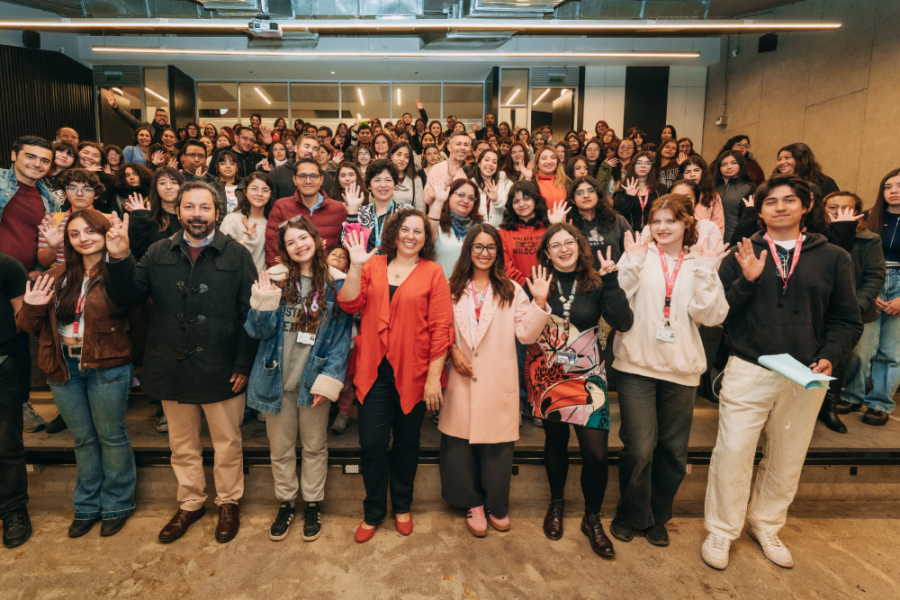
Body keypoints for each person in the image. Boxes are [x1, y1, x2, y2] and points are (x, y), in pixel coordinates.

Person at [702, 176, 863, 571]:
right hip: (749, 365)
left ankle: (766, 523)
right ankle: (722, 529)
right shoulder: (743, 250)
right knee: (734, 451)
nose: (779, 207)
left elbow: (846, 319)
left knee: (787, 456)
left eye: (789, 200)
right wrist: (747, 280)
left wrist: (830, 356)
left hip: (805, 372)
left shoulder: (834, 258)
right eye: (770, 201)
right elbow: (717, 312)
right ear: (759, 208)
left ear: (806, 205)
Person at [104, 180, 260, 544]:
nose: (197, 215)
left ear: (217, 213)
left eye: (204, 208)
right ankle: (191, 502)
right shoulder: (158, 251)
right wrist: (118, 256)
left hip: (223, 369)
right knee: (182, 444)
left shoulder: (236, 255)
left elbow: (250, 315)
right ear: (178, 210)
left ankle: (228, 502)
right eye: (189, 207)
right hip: (172, 366)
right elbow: (128, 294)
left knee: (227, 443)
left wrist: (242, 364)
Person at [18, 210, 146, 538]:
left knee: (111, 436)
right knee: (83, 439)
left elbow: (139, 316)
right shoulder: (57, 275)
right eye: (75, 234)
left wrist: (134, 360)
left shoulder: (120, 271)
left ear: (105, 233)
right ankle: (87, 504)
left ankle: (117, 502)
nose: (83, 238)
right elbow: (29, 328)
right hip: (64, 367)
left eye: (90, 231)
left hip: (109, 365)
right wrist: (31, 305)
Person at [611, 197, 729, 547]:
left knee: (673, 451)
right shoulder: (638, 255)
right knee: (639, 447)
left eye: (670, 221)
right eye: (656, 221)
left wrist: (708, 272)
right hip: (636, 363)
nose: (662, 227)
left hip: (681, 368)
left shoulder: (699, 262)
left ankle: (658, 515)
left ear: (686, 225)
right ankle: (632, 513)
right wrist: (630, 262)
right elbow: (616, 301)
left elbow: (711, 316)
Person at [339, 208, 453, 543]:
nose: (411, 236)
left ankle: (402, 505)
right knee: (371, 443)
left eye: (418, 231)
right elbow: (348, 304)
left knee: (407, 442)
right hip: (372, 370)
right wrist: (356, 265)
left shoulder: (433, 273)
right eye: (405, 229)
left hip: (414, 373)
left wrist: (433, 379)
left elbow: (441, 329)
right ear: (394, 232)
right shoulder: (373, 264)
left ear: (425, 239)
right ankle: (373, 511)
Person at [529, 223, 633, 558]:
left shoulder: (597, 280)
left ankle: (592, 517)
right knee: (555, 443)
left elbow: (624, 322)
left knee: (596, 453)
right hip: (550, 375)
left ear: (578, 245)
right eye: (554, 244)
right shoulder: (538, 281)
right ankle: (556, 503)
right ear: (547, 252)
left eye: (568, 242)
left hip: (590, 375)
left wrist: (613, 280)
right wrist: (537, 300)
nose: (563, 248)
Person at [245, 218, 353, 542]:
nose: (298, 245)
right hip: (275, 379)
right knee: (280, 449)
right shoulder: (275, 280)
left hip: (313, 381)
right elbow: (257, 332)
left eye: (303, 238)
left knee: (315, 447)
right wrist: (263, 302)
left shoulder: (335, 283)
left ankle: (312, 504)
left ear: (317, 240)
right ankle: (286, 501)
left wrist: (329, 380)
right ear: (285, 249)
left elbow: (340, 339)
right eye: (291, 242)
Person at [441, 224, 552, 537]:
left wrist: (539, 303)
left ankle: (496, 504)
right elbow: (441, 327)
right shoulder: (452, 286)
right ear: (468, 251)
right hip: (462, 375)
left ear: (498, 253)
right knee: (460, 445)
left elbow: (526, 334)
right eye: (478, 247)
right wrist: (451, 352)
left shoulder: (511, 289)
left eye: (490, 247)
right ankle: (472, 502)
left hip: (496, 377)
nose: (484, 253)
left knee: (498, 449)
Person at [0, 136, 57, 435]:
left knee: (19, 339)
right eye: (30, 157)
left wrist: (37, 269)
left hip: (21, 279)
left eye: (44, 160)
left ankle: (20, 405)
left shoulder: (51, 198)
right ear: (14, 155)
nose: (37, 164)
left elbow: (46, 240)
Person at [840, 170, 900, 426]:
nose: (893, 190)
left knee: (891, 350)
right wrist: (869, 289)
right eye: (887, 186)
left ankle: (880, 404)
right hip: (871, 280)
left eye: (899, 186)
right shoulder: (867, 218)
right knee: (862, 347)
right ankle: (852, 395)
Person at [0, 251, 30, 548]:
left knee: (7, 445)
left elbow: (22, 320)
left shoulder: (6, 265)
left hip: (1, 364)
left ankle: (13, 511)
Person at [265, 159, 348, 267]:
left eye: (313, 176)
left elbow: (344, 249)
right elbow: (272, 248)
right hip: (290, 276)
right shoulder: (281, 206)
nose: (308, 181)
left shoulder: (338, 209)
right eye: (302, 176)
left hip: (328, 276)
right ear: (294, 179)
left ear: (321, 179)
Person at [341, 160, 412, 254]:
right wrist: (353, 210)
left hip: (396, 266)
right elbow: (348, 245)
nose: (383, 185)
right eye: (377, 180)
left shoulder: (406, 212)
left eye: (388, 180)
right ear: (369, 186)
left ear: (394, 184)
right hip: (365, 266)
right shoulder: (360, 212)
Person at [567, 177, 632, 267]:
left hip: (614, 277)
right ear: (573, 200)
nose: (586, 195)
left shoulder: (617, 220)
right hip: (582, 279)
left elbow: (632, 253)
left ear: (598, 195)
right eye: (580, 193)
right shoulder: (568, 225)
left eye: (590, 191)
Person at [126, 167, 186, 262]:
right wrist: (140, 219)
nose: (168, 187)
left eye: (174, 182)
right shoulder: (146, 215)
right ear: (155, 188)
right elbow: (136, 252)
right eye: (162, 183)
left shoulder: (191, 216)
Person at [428, 179, 484, 280]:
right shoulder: (437, 223)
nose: (466, 200)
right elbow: (426, 240)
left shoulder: (480, 228)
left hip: (471, 291)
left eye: (471, 198)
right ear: (449, 196)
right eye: (461, 195)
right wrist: (439, 201)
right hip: (440, 289)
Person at [220, 172, 274, 273]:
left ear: (270, 194)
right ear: (245, 191)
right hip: (237, 283)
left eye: (265, 190)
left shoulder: (272, 223)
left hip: (265, 285)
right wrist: (249, 240)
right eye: (254, 188)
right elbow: (226, 257)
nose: (259, 194)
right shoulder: (231, 220)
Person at [613, 152, 669, 232]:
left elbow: (668, 211)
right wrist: (628, 197)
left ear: (652, 167)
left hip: (656, 232)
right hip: (629, 234)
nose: (643, 166)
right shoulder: (623, 188)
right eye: (638, 163)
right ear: (633, 166)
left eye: (647, 163)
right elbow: (617, 215)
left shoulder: (660, 188)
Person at [713, 150, 756, 244]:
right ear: (719, 168)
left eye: (734, 163)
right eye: (724, 164)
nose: (729, 167)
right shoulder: (711, 187)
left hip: (737, 240)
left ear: (741, 165)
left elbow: (751, 219)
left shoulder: (750, 187)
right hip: (713, 239)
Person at [772, 143, 839, 200]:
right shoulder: (775, 183)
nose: (781, 162)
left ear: (802, 160)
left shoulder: (824, 182)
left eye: (788, 157)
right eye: (779, 159)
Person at [105, 90, 172, 145]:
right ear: (154, 117)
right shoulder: (146, 126)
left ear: (167, 119)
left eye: (164, 116)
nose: (162, 118)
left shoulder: (170, 131)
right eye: (159, 115)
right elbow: (131, 120)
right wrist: (116, 107)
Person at [679, 156, 725, 234]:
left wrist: (716, 241)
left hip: (705, 237)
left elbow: (718, 223)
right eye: (687, 172)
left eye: (696, 170)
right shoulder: (676, 193)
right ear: (682, 175)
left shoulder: (712, 195)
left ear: (703, 172)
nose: (692, 174)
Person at [424, 131, 470, 206]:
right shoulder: (438, 168)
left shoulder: (463, 173)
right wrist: (448, 178)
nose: (462, 148)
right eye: (458, 144)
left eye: (466, 145)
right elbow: (427, 199)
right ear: (449, 147)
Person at [471, 149, 510, 228]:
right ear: (479, 163)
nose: (490, 164)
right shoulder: (471, 185)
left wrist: (496, 200)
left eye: (494, 162)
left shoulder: (506, 184)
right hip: (476, 231)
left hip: (499, 231)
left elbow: (511, 209)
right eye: (487, 160)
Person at [389, 142, 425, 211]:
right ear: (391, 156)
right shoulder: (383, 178)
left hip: (410, 220)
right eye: (399, 155)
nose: (402, 159)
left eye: (406, 156)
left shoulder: (416, 180)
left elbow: (421, 208)